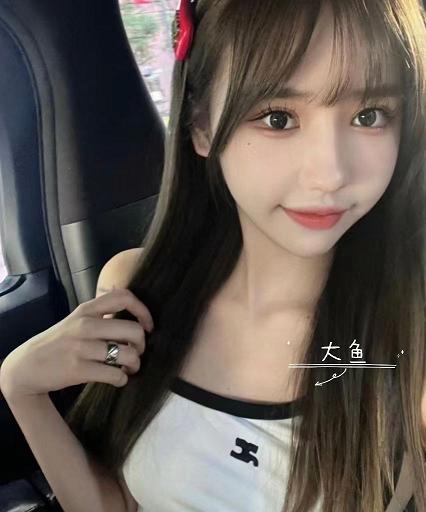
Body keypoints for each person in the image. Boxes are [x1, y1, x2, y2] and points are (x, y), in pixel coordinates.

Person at [1, 0, 425, 510]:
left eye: (368, 115)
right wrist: (22, 389)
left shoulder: (408, 350)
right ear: (201, 126)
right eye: (278, 118)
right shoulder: (139, 292)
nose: (330, 174)